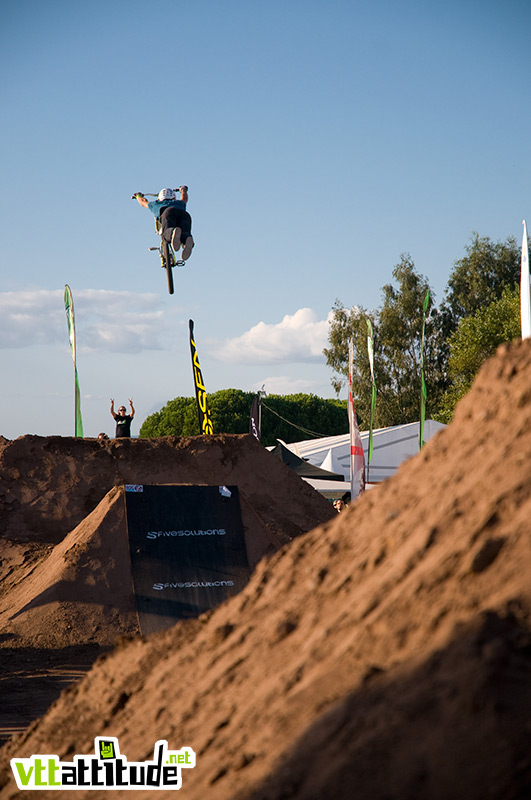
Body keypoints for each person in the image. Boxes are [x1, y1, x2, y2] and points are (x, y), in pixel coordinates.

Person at [133, 186, 194, 260]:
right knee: (185, 232)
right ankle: (187, 239)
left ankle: (172, 233)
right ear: (173, 197)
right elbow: (184, 198)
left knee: (166, 232)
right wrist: (183, 190)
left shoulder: (156, 204)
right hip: (185, 215)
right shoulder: (179, 203)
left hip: (168, 212)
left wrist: (138, 196)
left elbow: (143, 202)